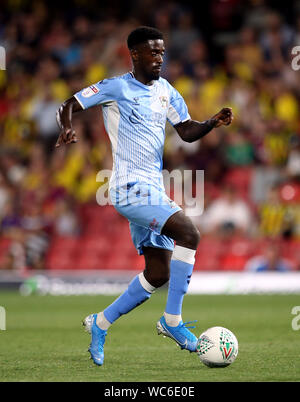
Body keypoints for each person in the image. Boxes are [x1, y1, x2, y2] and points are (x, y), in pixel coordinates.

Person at [55, 26, 233, 366]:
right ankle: (173, 321)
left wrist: (211, 122)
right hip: (125, 187)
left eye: (162, 52)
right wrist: (67, 126)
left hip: (153, 187)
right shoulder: (115, 87)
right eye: (153, 52)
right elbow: (70, 103)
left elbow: (186, 131)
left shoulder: (166, 91)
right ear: (135, 54)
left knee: (158, 273)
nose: (159, 58)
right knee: (189, 233)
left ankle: (100, 322)